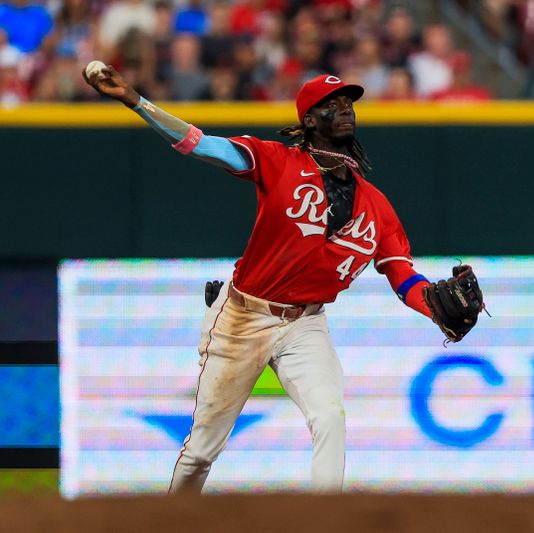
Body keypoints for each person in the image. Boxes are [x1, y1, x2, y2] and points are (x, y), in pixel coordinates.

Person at [82, 66, 483, 492]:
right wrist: (135, 101)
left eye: (349, 102)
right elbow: (201, 145)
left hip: (306, 323)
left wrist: (431, 305)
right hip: (244, 315)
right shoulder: (277, 161)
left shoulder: (377, 206)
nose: (345, 108)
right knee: (202, 449)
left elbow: (402, 275)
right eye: (332, 104)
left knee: (329, 415)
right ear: (309, 120)